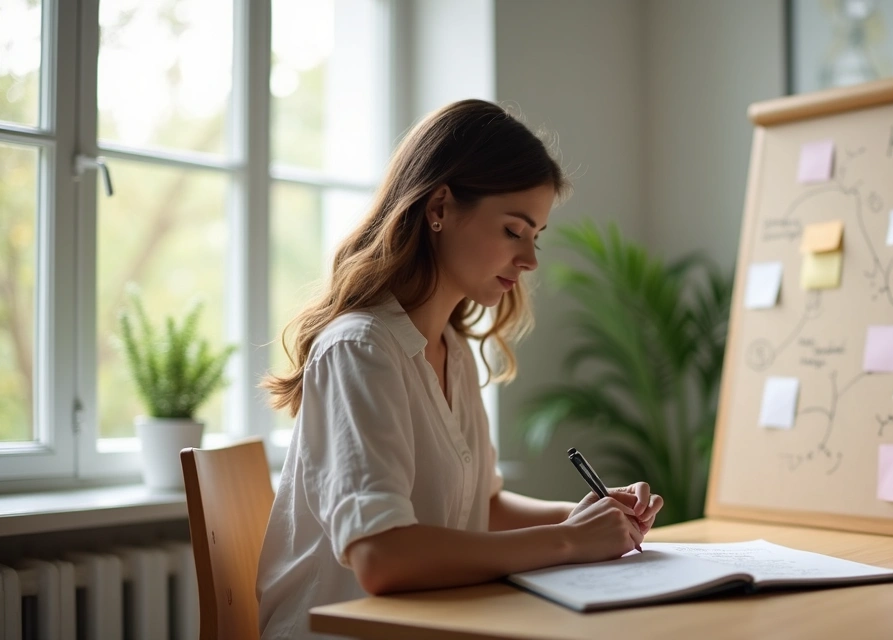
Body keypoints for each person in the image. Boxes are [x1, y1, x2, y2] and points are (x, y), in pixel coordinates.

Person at [256, 99, 663, 639]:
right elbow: (382, 556)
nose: (531, 260)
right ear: (440, 206)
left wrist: (587, 516)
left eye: (535, 236)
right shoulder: (360, 349)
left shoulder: (451, 348)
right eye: (514, 230)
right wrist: (570, 541)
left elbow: (482, 507)